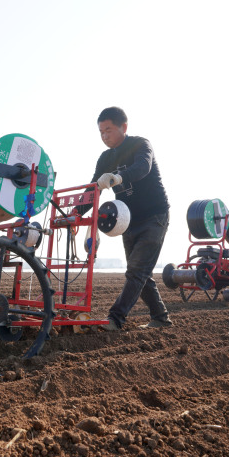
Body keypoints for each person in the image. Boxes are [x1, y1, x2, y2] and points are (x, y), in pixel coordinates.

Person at [76, 107, 171, 329]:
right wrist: (74, 214)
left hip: (154, 216)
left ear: (124, 127)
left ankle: (115, 319)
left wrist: (117, 177)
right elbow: (93, 190)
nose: (104, 136)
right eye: (101, 132)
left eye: (108, 129)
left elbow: (142, 168)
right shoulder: (105, 158)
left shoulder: (140, 145)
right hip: (127, 221)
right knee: (141, 273)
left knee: (136, 271)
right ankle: (161, 318)